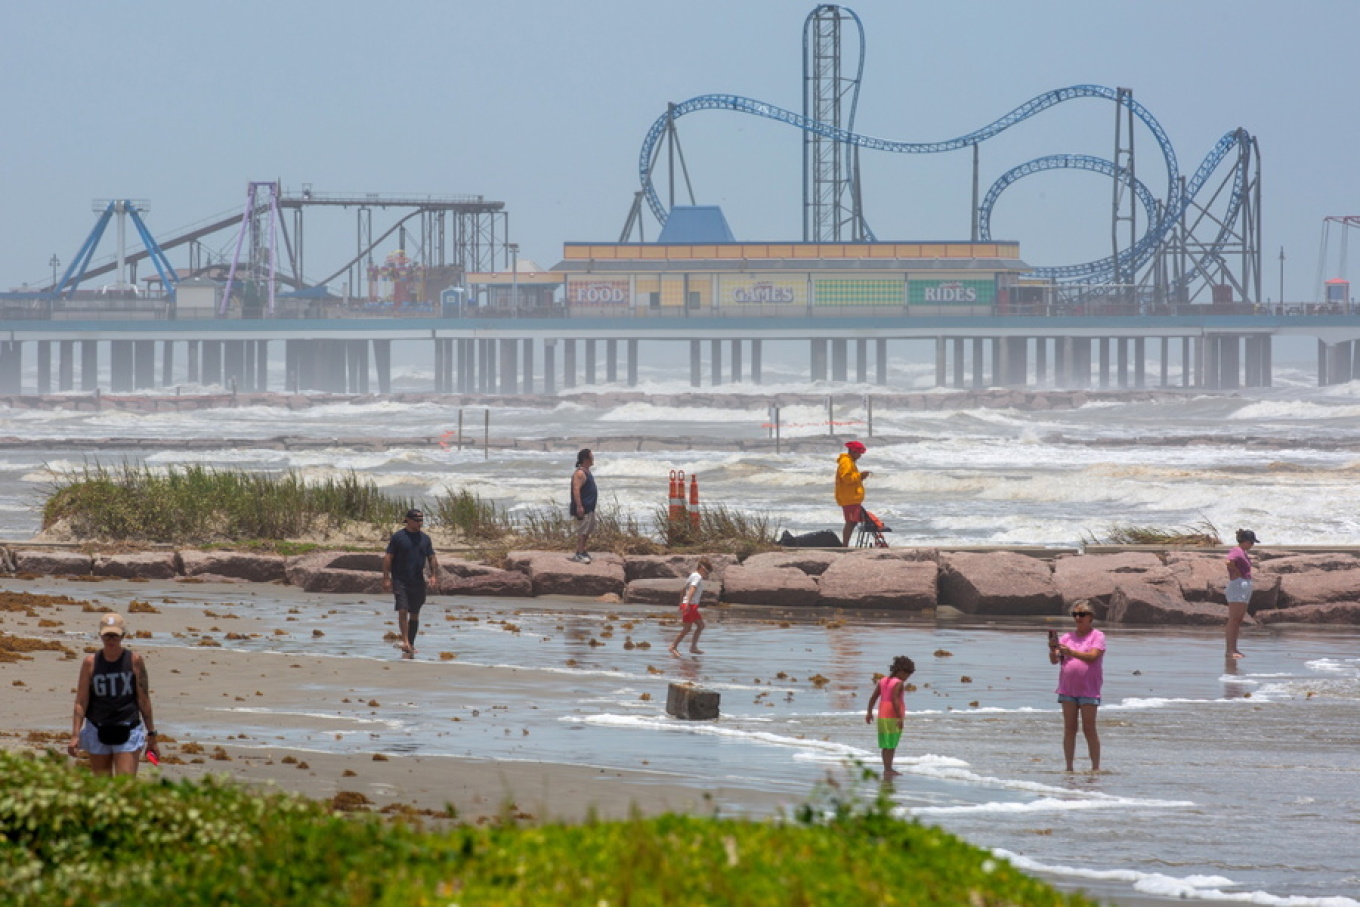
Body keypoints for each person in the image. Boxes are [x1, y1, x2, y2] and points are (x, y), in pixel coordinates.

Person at [67, 612, 159, 776]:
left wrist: (152, 734)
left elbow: (144, 700)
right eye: (107, 635)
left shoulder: (134, 661)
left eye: (115, 636)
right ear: (100, 636)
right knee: (103, 786)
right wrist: (75, 735)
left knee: (124, 786)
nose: (111, 640)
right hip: (97, 729)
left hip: (127, 728)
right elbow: (81, 702)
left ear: (123, 635)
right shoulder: (91, 663)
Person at [1049, 601, 1105, 772]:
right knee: (1069, 729)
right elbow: (1054, 661)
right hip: (1067, 689)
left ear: (1091, 617)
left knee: (1089, 729)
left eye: (1082, 614)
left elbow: (1093, 657)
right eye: (1075, 615)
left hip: (1089, 689)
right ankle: (1069, 767)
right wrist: (1053, 650)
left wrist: (1071, 652)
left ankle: (1095, 768)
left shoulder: (1097, 636)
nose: (1078, 618)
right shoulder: (1066, 638)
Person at [382, 508, 441, 656]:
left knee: (414, 613)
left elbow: (432, 558)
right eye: (416, 520)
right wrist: (386, 577)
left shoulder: (425, 539)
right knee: (402, 610)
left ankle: (411, 644)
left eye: (421, 520)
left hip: (417, 580)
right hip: (400, 579)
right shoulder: (398, 537)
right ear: (407, 520)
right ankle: (405, 642)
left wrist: (434, 575)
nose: (419, 523)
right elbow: (388, 557)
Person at [864, 654, 914, 777]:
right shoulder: (898, 683)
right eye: (907, 675)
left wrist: (869, 712)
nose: (907, 678)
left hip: (882, 716)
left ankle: (887, 768)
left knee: (885, 744)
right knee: (891, 744)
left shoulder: (882, 681)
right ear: (901, 672)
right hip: (893, 716)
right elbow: (895, 700)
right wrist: (899, 718)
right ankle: (888, 769)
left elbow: (873, 697)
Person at [1225, 528, 1259, 659]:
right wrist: (1235, 571)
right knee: (1234, 619)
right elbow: (1228, 561)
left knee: (1238, 620)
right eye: (1251, 542)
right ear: (1245, 541)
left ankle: (1234, 648)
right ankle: (1230, 650)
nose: (1252, 545)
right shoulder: (1236, 550)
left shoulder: (1243, 552)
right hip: (1238, 586)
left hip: (1244, 585)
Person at [669, 557, 713, 656]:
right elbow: (692, 589)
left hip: (690, 604)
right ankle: (673, 647)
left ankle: (693, 647)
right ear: (702, 568)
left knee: (701, 625)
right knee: (687, 628)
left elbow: (683, 589)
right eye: (707, 572)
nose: (707, 575)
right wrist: (687, 603)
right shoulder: (697, 576)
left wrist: (681, 602)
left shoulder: (692, 575)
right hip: (690, 605)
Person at [835, 440, 872, 547]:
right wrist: (860, 476)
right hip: (849, 498)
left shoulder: (849, 462)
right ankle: (844, 545)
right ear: (852, 451)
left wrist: (860, 477)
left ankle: (845, 544)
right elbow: (847, 479)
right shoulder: (846, 462)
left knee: (852, 522)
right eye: (858, 453)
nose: (860, 456)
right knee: (850, 522)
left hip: (851, 497)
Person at [569, 448, 597, 563]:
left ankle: (583, 551)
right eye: (591, 457)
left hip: (589, 507)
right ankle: (579, 554)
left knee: (586, 531)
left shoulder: (587, 472)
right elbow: (576, 490)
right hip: (583, 508)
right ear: (585, 459)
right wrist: (579, 506)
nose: (593, 459)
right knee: (582, 532)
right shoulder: (580, 473)